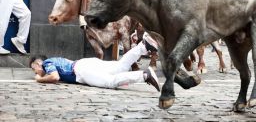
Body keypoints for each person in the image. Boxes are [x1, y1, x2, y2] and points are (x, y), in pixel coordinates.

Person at [29, 36, 160, 90]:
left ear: (37, 63)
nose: (34, 71)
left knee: (110, 82)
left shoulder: (47, 62)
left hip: (81, 70)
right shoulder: (55, 60)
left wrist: (39, 79)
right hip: (85, 64)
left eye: (33, 68)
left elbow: (54, 77)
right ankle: (143, 46)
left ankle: (144, 75)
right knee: (119, 66)